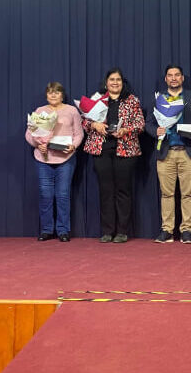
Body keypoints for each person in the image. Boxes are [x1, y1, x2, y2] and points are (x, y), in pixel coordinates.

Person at [81, 68, 145, 243]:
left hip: (126, 150)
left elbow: (140, 124)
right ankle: (108, 231)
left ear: (122, 83)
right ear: (106, 82)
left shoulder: (131, 100)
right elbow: (84, 121)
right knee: (106, 191)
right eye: (112, 79)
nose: (115, 82)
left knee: (123, 191)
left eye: (118, 80)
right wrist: (94, 125)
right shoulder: (97, 98)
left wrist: (126, 130)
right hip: (101, 149)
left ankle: (122, 231)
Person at [147, 65, 191, 244]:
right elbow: (148, 123)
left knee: (188, 194)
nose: (173, 78)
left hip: (187, 151)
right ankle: (167, 230)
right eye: (170, 75)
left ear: (182, 78)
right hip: (165, 151)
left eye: (177, 75)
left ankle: (186, 230)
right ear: (165, 79)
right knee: (166, 194)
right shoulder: (158, 99)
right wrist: (155, 131)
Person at [25, 82, 84, 242]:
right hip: (43, 159)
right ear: (46, 95)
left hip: (66, 159)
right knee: (46, 195)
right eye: (50, 92)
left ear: (62, 95)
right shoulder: (40, 111)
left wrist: (73, 146)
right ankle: (46, 230)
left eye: (56, 92)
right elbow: (30, 135)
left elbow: (79, 134)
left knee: (63, 195)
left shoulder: (72, 111)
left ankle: (63, 230)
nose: (53, 95)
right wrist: (38, 144)